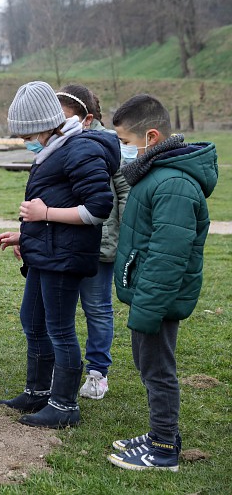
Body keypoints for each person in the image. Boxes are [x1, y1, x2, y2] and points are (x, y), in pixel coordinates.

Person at [0, 81, 119, 428]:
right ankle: (37, 391)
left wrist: (43, 215)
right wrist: (26, 235)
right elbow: (56, 202)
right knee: (32, 321)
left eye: (27, 134)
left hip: (65, 259)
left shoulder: (80, 150)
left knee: (60, 329)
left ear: (46, 124)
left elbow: (98, 208)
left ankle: (64, 406)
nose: (25, 142)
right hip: (45, 253)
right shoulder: (53, 149)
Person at [107, 95, 217, 471]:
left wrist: (147, 308)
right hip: (148, 296)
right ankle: (160, 433)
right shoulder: (155, 175)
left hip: (157, 299)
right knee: (148, 363)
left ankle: (164, 446)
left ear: (150, 137)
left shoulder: (173, 185)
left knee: (157, 369)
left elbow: (168, 258)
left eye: (124, 141)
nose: (121, 149)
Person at [57, 84, 130, 400]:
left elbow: (124, 193)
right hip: (64, 243)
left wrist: (125, 237)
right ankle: (64, 369)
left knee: (97, 310)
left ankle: (98, 374)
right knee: (60, 308)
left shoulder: (109, 146)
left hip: (100, 245)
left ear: (86, 118)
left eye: (62, 118)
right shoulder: (59, 144)